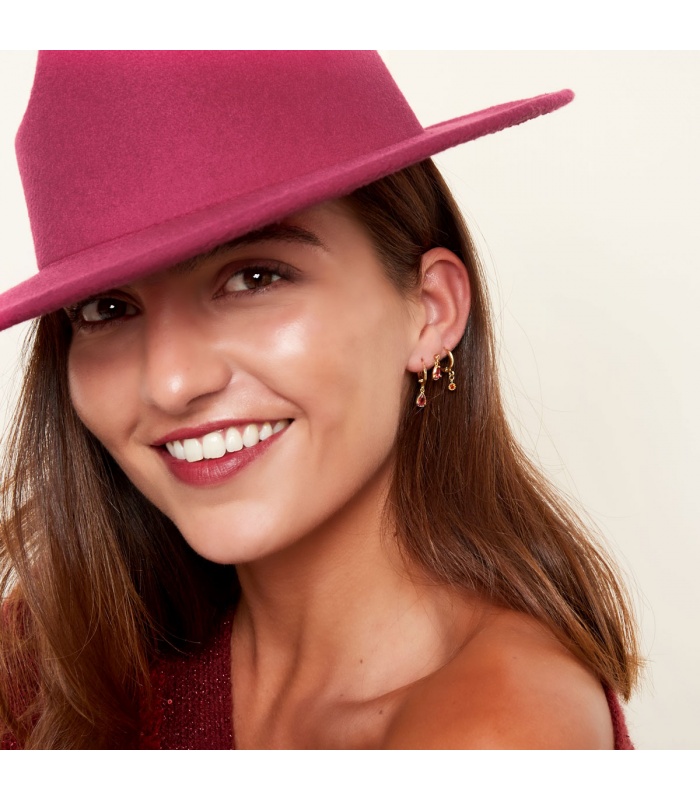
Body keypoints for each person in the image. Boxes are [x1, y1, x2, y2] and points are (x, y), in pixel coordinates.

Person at [0, 51, 639, 749]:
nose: (171, 383)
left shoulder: (496, 734)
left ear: (430, 310)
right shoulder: (48, 662)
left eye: (254, 277)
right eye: (107, 308)